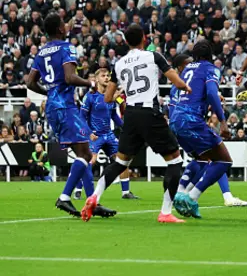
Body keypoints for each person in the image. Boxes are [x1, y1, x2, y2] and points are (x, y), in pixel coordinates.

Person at [81, 24, 191, 223]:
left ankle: (95, 195)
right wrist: (188, 87)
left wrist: (122, 92)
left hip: (130, 115)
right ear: (143, 38)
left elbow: (107, 98)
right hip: (150, 112)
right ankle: (165, 212)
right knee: (175, 160)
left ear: (126, 41)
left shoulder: (120, 63)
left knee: (120, 162)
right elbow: (177, 82)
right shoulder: (153, 56)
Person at [26, 13, 116, 218]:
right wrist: (90, 83)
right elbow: (69, 77)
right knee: (85, 154)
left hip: (52, 106)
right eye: (64, 24)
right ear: (59, 29)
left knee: (82, 153)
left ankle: (92, 201)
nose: (66, 26)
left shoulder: (41, 52)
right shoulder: (67, 47)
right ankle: (65, 197)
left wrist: (49, 92)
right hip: (65, 106)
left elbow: (30, 82)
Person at [169, 49, 247, 214]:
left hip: (178, 123)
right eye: (187, 64)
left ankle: (182, 192)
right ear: (179, 68)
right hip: (191, 121)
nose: (191, 66)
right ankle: (193, 196)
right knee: (222, 159)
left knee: (202, 160)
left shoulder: (182, 82)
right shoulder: (190, 78)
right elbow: (207, 93)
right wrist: (221, 120)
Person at [73, 68, 139, 200]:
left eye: (108, 75)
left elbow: (114, 116)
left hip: (108, 134)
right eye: (103, 76)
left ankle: (125, 192)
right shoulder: (90, 96)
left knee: (122, 160)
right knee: (90, 161)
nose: (107, 78)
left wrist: (125, 128)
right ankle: (78, 189)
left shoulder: (111, 97)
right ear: (96, 79)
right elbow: (81, 117)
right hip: (95, 135)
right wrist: (89, 132)